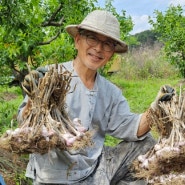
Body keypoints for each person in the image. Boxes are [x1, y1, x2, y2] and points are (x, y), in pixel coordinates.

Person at [17, 10, 174, 185]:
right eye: (92, 38)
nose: (98, 49)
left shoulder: (110, 91)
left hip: (95, 168)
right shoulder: (51, 77)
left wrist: (156, 108)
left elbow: (129, 127)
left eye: (107, 44)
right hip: (55, 175)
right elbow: (26, 125)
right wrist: (34, 99)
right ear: (77, 40)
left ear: (112, 53)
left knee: (147, 144)